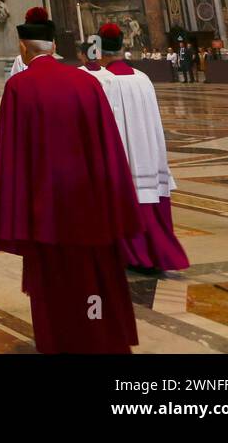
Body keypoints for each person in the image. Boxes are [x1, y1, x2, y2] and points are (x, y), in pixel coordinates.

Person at [0, 6, 142, 353]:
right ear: (53, 46)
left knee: (53, 278)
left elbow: (8, 147)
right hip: (90, 199)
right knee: (94, 271)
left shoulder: (19, 86)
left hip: (46, 204)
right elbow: (108, 142)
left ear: (24, 48)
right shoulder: (87, 81)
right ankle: (99, 333)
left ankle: (60, 339)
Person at [82, 23, 189, 274]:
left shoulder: (97, 80)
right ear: (123, 47)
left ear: (98, 49)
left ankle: (126, 251)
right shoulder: (143, 79)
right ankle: (153, 251)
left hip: (117, 158)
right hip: (145, 155)